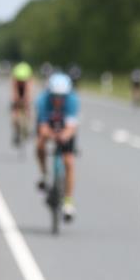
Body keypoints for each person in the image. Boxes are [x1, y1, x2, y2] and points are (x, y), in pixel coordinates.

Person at [35, 72, 81, 220]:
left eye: (62, 97)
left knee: (69, 161)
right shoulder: (42, 101)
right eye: (55, 96)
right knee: (40, 145)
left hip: (65, 128)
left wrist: (63, 136)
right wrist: (52, 135)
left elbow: (72, 127)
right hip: (48, 126)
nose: (59, 99)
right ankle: (44, 174)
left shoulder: (73, 101)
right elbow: (42, 128)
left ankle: (68, 201)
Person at [11, 61, 33, 145]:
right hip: (18, 94)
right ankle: (16, 132)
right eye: (19, 80)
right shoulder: (14, 81)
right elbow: (14, 93)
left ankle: (28, 127)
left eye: (23, 80)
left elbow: (28, 92)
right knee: (15, 115)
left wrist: (26, 101)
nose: (21, 81)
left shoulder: (28, 81)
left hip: (25, 94)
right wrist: (16, 101)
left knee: (28, 109)